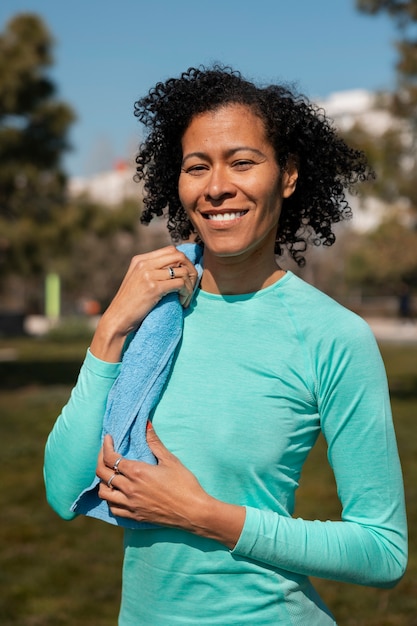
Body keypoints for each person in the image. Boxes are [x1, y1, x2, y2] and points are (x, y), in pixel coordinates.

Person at [44, 65, 407, 626]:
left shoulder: (334, 337)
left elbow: (383, 552)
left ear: (287, 175)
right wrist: (112, 326)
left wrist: (203, 515)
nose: (217, 186)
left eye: (242, 162)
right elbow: (63, 490)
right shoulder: (152, 318)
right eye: (197, 166)